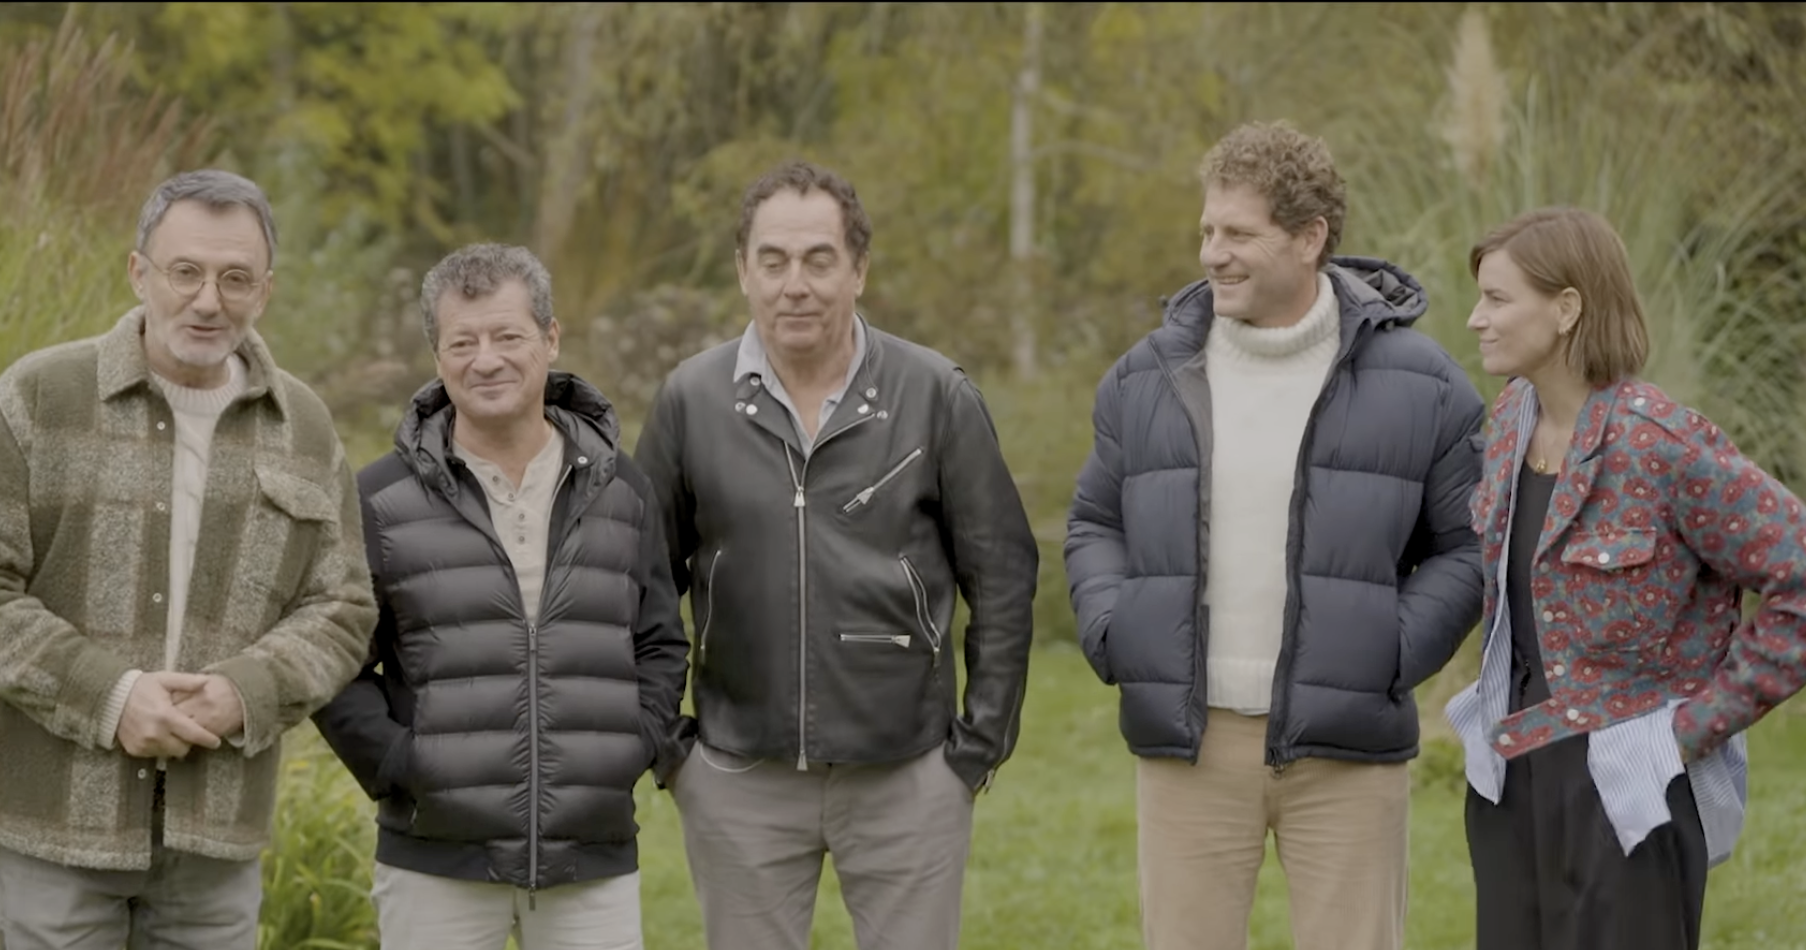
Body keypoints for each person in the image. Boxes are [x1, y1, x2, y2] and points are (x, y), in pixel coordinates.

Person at [0, 169, 378, 949]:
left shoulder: (304, 426)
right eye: (185, 271)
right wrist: (109, 695)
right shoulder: (39, 397)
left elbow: (343, 608)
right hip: (52, 821)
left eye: (235, 279)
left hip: (215, 831)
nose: (207, 300)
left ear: (265, 290)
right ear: (139, 273)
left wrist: (246, 691)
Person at [1063, 120, 1487, 950]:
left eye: (1238, 234)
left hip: (1348, 753)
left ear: (1309, 238)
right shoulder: (1146, 377)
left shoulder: (1424, 384)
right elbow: (1095, 520)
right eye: (1207, 231)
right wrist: (1116, 629)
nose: (1213, 253)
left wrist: (1391, 652)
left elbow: (1468, 545)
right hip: (1190, 745)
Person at [634, 159, 1038, 950]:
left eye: (820, 260)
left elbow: (1004, 575)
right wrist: (671, 748)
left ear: (859, 269)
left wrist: (974, 750)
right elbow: (640, 580)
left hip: (908, 776)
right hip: (737, 778)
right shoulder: (692, 398)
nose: (797, 284)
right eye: (774, 261)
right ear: (742, 271)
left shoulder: (934, 394)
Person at [310, 243, 691, 950]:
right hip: (435, 861)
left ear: (550, 338)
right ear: (438, 355)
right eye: (463, 341)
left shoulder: (623, 490)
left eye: (508, 336)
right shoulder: (377, 501)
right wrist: (402, 765)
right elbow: (334, 664)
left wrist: (633, 745)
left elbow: (661, 641)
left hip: (592, 860)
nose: (486, 359)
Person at [1445, 206, 1806, 950]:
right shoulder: (1510, 422)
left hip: (1628, 788)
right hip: (1511, 779)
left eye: (1498, 298)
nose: (1476, 318)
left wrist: (1693, 728)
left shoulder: (1663, 447)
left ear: (1568, 307)